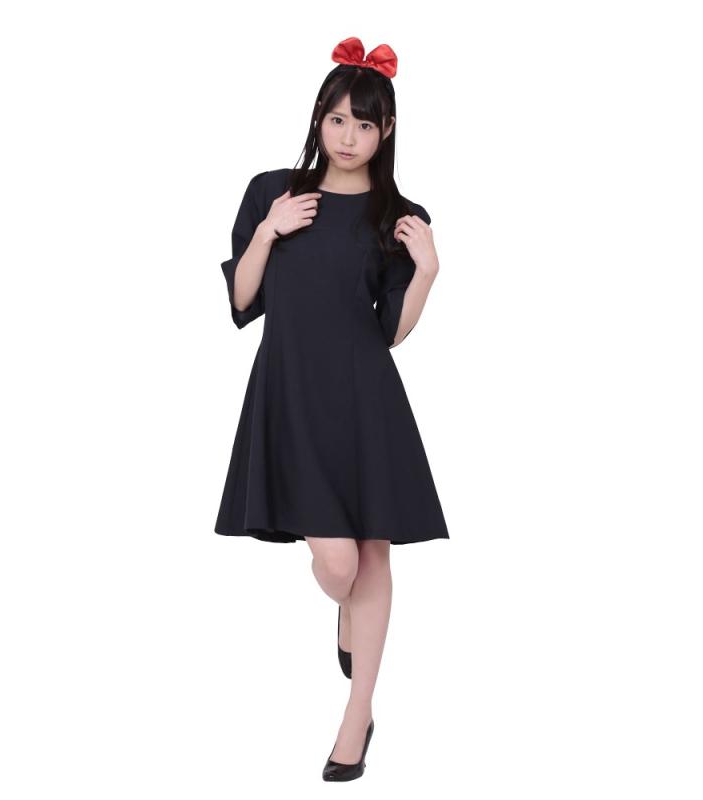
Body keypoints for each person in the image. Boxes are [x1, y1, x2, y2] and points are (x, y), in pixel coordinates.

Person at [214, 36, 449, 781]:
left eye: (365, 124)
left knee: (373, 550)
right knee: (339, 561)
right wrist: (267, 231)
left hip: (364, 398)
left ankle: (358, 713)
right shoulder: (272, 192)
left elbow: (390, 331)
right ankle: (343, 607)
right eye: (338, 119)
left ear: (386, 131)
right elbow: (243, 300)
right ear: (319, 118)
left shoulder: (399, 215)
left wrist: (427, 271)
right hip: (289, 394)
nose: (348, 137)